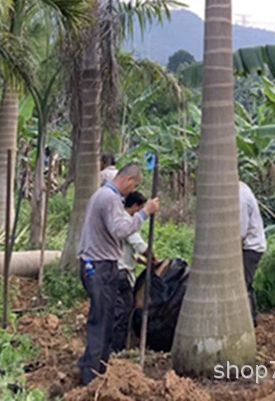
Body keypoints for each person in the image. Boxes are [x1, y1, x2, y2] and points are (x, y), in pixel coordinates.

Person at [77, 162, 160, 385]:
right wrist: (144, 213)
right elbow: (120, 230)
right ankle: (93, 375)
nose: (132, 192)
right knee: (101, 321)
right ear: (128, 180)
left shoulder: (102, 196)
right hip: (100, 267)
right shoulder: (110, 198)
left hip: (99, 265)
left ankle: (94, 366)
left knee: (104, 319)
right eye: (134, 187)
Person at [112, 190, 151, 351]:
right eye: (141, 209)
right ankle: (118, 349)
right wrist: (154, 260)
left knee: (116, 310)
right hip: (122, 274)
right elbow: (141, 246)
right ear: (135, 206)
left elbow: (125, 249)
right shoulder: (128, 222)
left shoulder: (117, 217)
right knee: (124, 312)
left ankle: (114, 346)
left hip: (114, 269)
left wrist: (141, 261)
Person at [239, 180, 266, 328]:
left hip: (250, 248)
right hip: (250, 246)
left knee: (242, 285)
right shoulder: (241, 188)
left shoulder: (240, 196)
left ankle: (249, 323)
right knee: (246, 284)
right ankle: (252, 320)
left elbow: (240, 232)